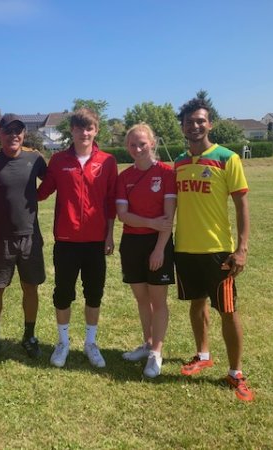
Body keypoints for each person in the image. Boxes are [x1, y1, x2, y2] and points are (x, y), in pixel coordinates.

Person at [174, 97, 254, 401]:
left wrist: (242, 247)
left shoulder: (227, 158)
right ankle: (203, 355)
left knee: (228, 311)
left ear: (210, 124)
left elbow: (241, 204)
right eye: (189, 122)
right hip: (185, 249)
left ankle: (236, 373)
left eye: (200, 121)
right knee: (196, 305)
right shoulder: (179, 162)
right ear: (182, 126)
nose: (194, 126)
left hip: (219, 250)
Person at [37, 108, 118, 368]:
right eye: (79, 128)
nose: (84, 133)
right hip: (66, 240)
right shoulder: (59, 160)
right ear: (71, 130)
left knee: (94, 294)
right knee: (63, 293)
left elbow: (110, 201)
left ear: (96, 130)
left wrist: (110, 234)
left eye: (89, 128)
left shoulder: (107, 161)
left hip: (95, 241)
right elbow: (43, 191)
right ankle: (63, 343)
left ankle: (90, 343)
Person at [0, 114, 47, 363]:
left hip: (30, 237)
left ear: (23, 134)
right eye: (8, 131)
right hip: (0, 239)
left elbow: (54, 182)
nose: (14, 135)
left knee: (31, 287)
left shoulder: (35, 158)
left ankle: (30, 336)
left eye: (18, 131)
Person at [116, 123, 176, 378]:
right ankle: (147, 343)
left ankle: (156, 353)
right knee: (142, 299)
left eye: (142, 143)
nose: (138, 148)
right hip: (131, 244)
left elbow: (168, 216)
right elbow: (123, 215)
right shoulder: (124, 177)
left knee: (158, 301)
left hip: (158, 244)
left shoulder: (166, 173)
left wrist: (160, 249)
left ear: (152, 143)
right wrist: (150, 222)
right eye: (132, 144)